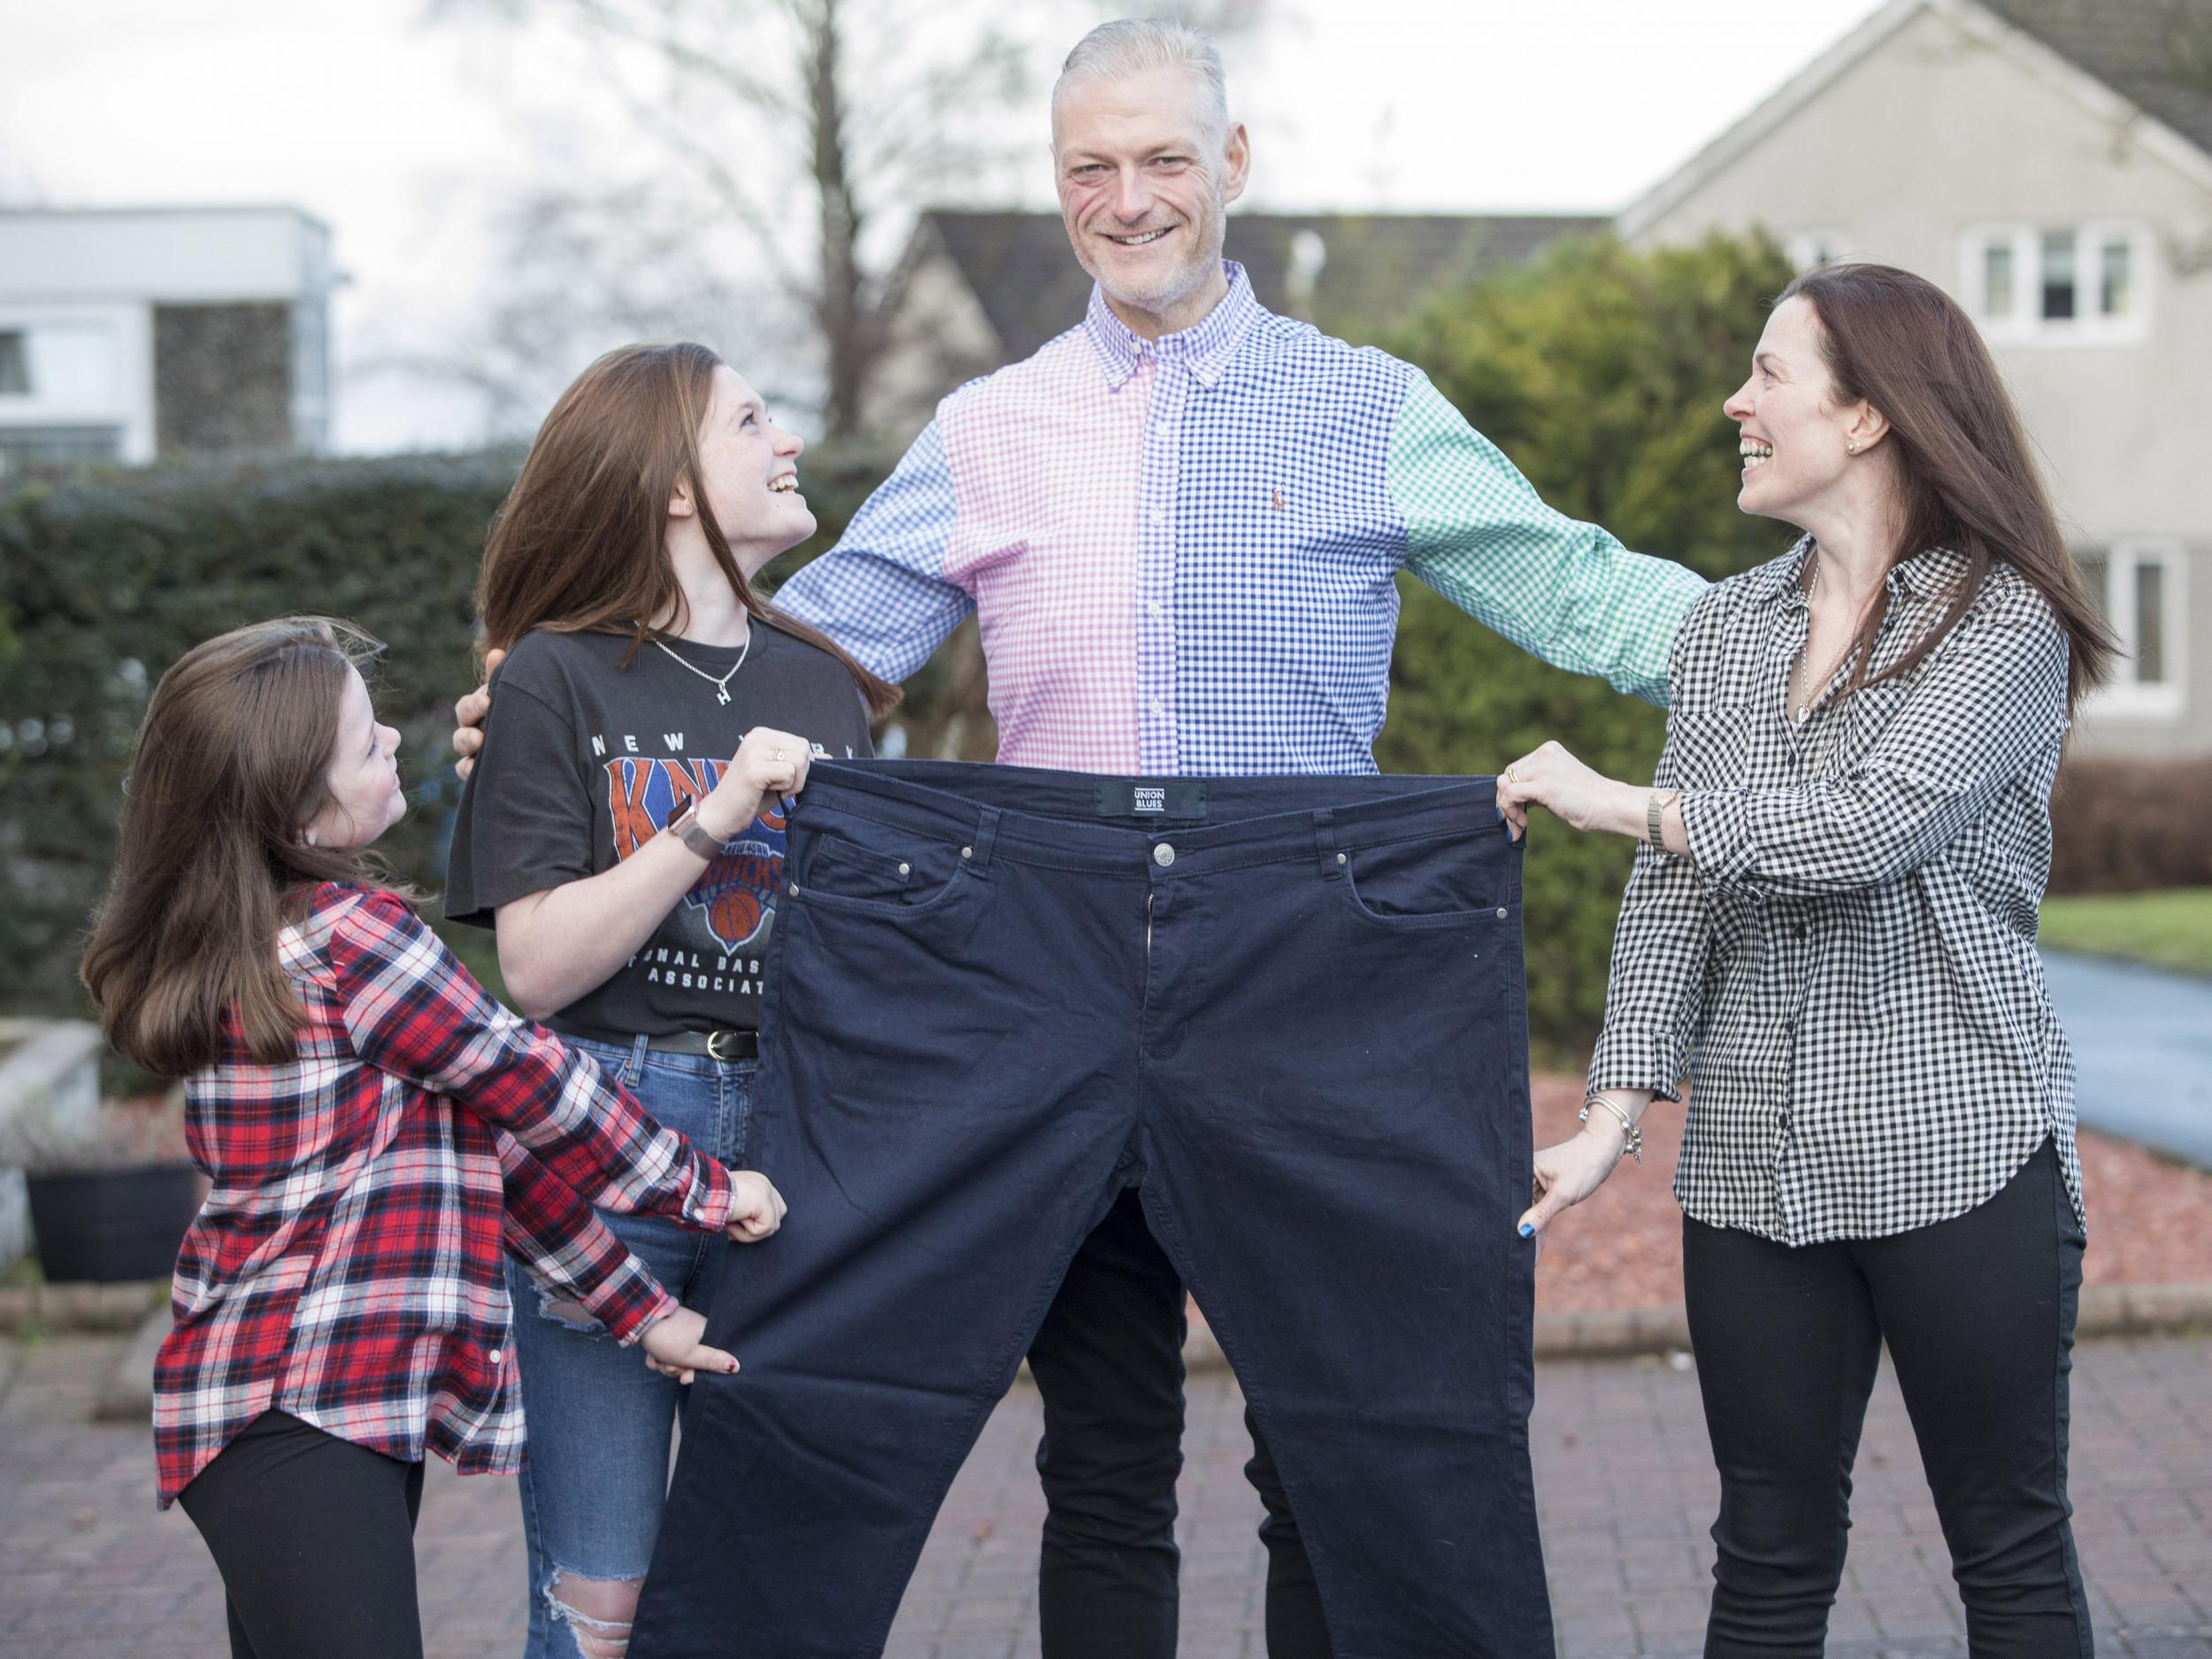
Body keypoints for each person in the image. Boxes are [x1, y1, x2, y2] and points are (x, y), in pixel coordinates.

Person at [457, 21, 1709, 1655]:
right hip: (1043, 978)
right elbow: (795, 662)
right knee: (1103, 1454)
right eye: (1090, 173)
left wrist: (1818, 644)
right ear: (1060, 193)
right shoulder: (989, 426)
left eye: (1165, 162)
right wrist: (548, 707)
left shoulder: (1368, 407)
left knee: (1340, 1454)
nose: (1129, 202)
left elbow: (1580, 586)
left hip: (1299, 962)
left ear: (1234, 166)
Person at [1500, 262, 2111, 1655]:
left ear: (1875, 413)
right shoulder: (1725, 629)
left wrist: (1626, 801)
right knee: (1766, 1558)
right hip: (1752, 1174)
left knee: (2009, 1551)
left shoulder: (1998, 620)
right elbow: (1678, 900)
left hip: (1960, 1147)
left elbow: (1865, 829)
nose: (1739, 401)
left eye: (1770, 373)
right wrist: (1611, 1113)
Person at [78, 616, 788, 1659]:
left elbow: (497, 1153)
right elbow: (530, 1077)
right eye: (368, 745)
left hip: (292, 1415)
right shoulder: (352, 941)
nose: (398, 745)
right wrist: (704, 1190)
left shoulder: (270, 946)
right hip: (298, 1410)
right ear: (300, 806)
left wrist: (641, 1314)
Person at [442, 342, 896, 1659]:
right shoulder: (551, 676)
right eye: (752, 419)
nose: (788, 439)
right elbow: (533, 966)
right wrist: (715, 814)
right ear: (676, 485)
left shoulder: (823, 682)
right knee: (605, 1596)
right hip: (608, 1126)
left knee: (785, 1584)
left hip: (800, 1139)